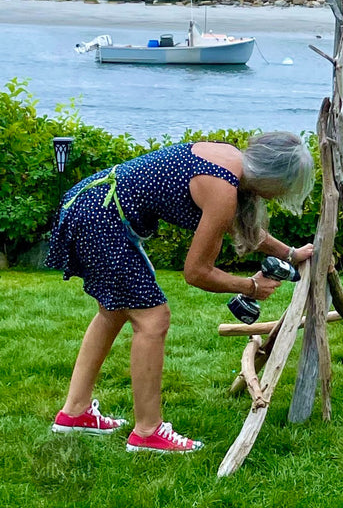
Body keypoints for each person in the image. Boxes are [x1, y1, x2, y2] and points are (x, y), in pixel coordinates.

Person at [46, 133, 314, 453]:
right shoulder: (222, 188)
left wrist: (291, 254)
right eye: (285, 187)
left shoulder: (229, 161)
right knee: (153, 318)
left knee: (113, 311)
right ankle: (148, 432)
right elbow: (197, 273)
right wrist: (250, 286)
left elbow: (247, 230)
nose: (281, 195)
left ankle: (74, 413)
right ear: (273, 179)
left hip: (91, 204)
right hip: (103, 217)